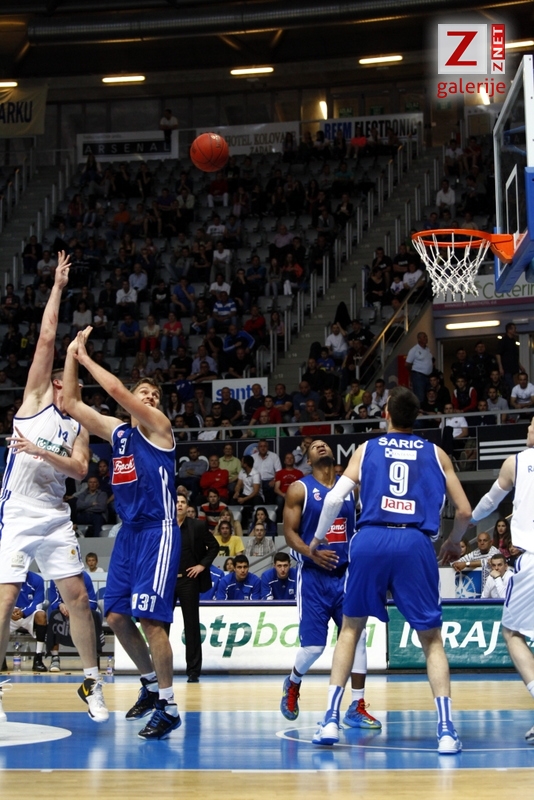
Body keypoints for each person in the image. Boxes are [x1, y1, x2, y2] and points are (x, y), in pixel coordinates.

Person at [309, 386, 471, 752]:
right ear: (416, 417)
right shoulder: (437, 453)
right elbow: (464, 511)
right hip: (415, 542)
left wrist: (317, 539)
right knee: (431, 640)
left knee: (350, 630)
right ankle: (446, 731)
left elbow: (334, 498)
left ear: (386, 413)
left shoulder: (367, 449)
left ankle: (331, 720)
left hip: (371, 539)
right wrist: (453, 541)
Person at [0, 253, 108, 724]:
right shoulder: (35, 399)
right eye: (64, 380)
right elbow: (47, 337)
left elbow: (80, 472)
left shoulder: (79, 426)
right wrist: (59, 287)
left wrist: (41, 453)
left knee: (77, 597)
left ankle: (92, 682)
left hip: (53, 514)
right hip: (18, 510)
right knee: (5, 599)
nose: (66, 385)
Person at [63, 329, 181, 740]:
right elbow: (71, 403)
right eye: (144, 393)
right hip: (129, 533)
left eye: (155, 395)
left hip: (158, 531)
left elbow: (114, 390)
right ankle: (149, 684)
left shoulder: (159, 427)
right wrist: (70, 356)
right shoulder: (118, 433)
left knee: (151, 620)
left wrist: (86, 357)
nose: (150, 398)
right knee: (114, 614)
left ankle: (168, 705)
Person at [280, 440, 381, 731]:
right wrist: (311, 552)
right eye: (315, 446)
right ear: (308, 460)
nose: (321, 446)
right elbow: (289, 533)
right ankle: (293, 681)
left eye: (325, 444)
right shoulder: (299, 489)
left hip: (347, 574)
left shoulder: (351, 488)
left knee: (358, 638)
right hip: (314, 576)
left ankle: (357, 705)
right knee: (313, 647)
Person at [469, 417, 534, 744]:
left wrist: (468, 519)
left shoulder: (517, 462)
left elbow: (490, 502)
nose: (527, 430)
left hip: (532, 559)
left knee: (511, 631)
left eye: (531, 425)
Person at [173, 493, 218, 683]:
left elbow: (214, 547)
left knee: (191, 626)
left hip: (188, 581)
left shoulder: (197, 526)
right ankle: (160, 667)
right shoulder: (164, 526)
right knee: (161, 625)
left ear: (187, 507)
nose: (180, 505)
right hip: (167, 582)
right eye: (177, 502)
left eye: (183, 502)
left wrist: (202, 565)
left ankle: (193, 670)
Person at [8, 571, 48, 672]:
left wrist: (23, 612)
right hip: (10, 614)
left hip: (28, 614)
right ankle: (1, 659)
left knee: (41, 615)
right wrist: (10, 611)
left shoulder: (37, 579)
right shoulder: (5, 577)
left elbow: (38, 603)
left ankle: (38, 658)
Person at [405, 332, 433, 403]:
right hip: (418, 376)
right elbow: (407, 364)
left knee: (428, 396)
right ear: (419, 339)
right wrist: (412, 373)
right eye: (424, 337)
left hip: (428, 377)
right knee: (420, 397)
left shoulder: (427, 349)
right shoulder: (414, 350)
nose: (426, 338)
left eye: (426, 337)